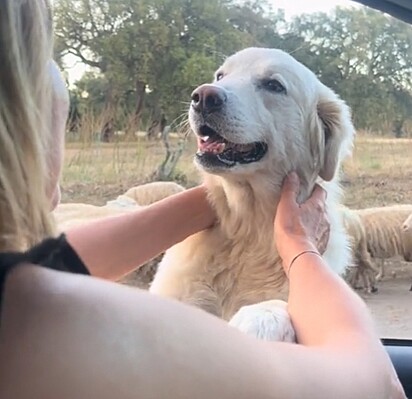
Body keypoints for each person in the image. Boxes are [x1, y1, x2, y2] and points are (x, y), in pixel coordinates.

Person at [0, 1, 406, 398]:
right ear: (27, 137)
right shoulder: (31, 318)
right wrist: (300, 249)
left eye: (271, 86)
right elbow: (375, 380)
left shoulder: (20, 288)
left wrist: (219, 204)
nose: (212, 93)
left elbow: (57, 264)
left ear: (323, 134)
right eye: (221, 76)